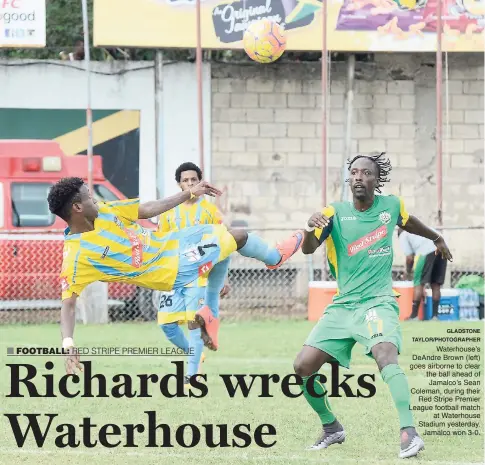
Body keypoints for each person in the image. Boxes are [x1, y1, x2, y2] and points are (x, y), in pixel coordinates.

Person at [47, 177, 303, 375]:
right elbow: (68, 304)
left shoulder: (104, 211)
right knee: (237, 237)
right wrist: (68, 344)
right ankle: (274, 257)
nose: (95, 200)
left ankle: (210, 318)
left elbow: (147, 209)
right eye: (90, 197)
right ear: (78, 207)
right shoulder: (77, 256)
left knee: (227, 242)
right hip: (173, 268)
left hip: (176, 242)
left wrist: (190, 192)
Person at [294, 152, 452, 459]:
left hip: (377, 301)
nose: (358, 178)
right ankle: (331, 427)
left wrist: (437, 237)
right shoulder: (334, 212)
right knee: (302, 365)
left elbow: (410, 222)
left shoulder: (391, 206)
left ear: (376, 180)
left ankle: (409, 432)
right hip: (342, 306)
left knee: (384, 353)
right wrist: (309, 228)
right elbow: (309, 248)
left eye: (365, 173)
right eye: (353, 172)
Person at [157, 162, 229, 383]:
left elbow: (223, 243)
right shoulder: (168, 212)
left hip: (199, 276)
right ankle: (196, 354)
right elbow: (162, 244)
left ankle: (191, 375)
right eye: (185, 180)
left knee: (194, 325)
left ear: (200, 181)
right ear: (179, 184)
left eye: (193, 180)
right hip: (173, 276)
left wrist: (223, 277)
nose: (190, 183)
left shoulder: (210, 211)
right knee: (166, 325)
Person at [398, 228, 447, 320]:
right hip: (443, 250)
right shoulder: (419, 227)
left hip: (426, 252)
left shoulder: (404, 234)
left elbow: (409, 258)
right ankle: (435, 316)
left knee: (418, 283)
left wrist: (408, 272)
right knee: (435, 284)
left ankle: (414, 316)